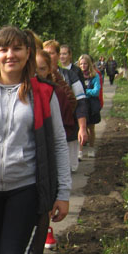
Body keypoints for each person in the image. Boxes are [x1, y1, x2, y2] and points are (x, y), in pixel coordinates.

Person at [0, 26, 71, 254]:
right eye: (3, 49)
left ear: (28, 52)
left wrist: (63, 193)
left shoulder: (44, 92)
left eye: (17, 49)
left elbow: (59, 144)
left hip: (25, 188)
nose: (10, 55)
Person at [29, 49, 75, 254]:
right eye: (32, 68)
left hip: (42, 178)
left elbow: (59, 142)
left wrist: (63, 191)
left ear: (50, 71)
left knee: (40, 217)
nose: (36, 73)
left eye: (41, 69)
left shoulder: (51, 94)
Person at [45, 39, 88, 173]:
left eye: (51, 53)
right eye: (44, 53)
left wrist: (82, 128)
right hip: (46, 130)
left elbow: (81, 102)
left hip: (67, 129)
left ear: (57, 55)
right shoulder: (35, 77)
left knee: (66, 169)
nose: (48, 56)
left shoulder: (70, 76)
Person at [78, 53, 102, 159]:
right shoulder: (78, 75)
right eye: (81, 64)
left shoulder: (95, 76)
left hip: (91, 104)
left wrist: (85, 91)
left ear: (89, 64)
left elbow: (96, 91)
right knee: (81, 127)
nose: (83, 66)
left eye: (85, 64)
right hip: (82, 104)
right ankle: (80, 151)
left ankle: (91, 149)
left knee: (91, 128)